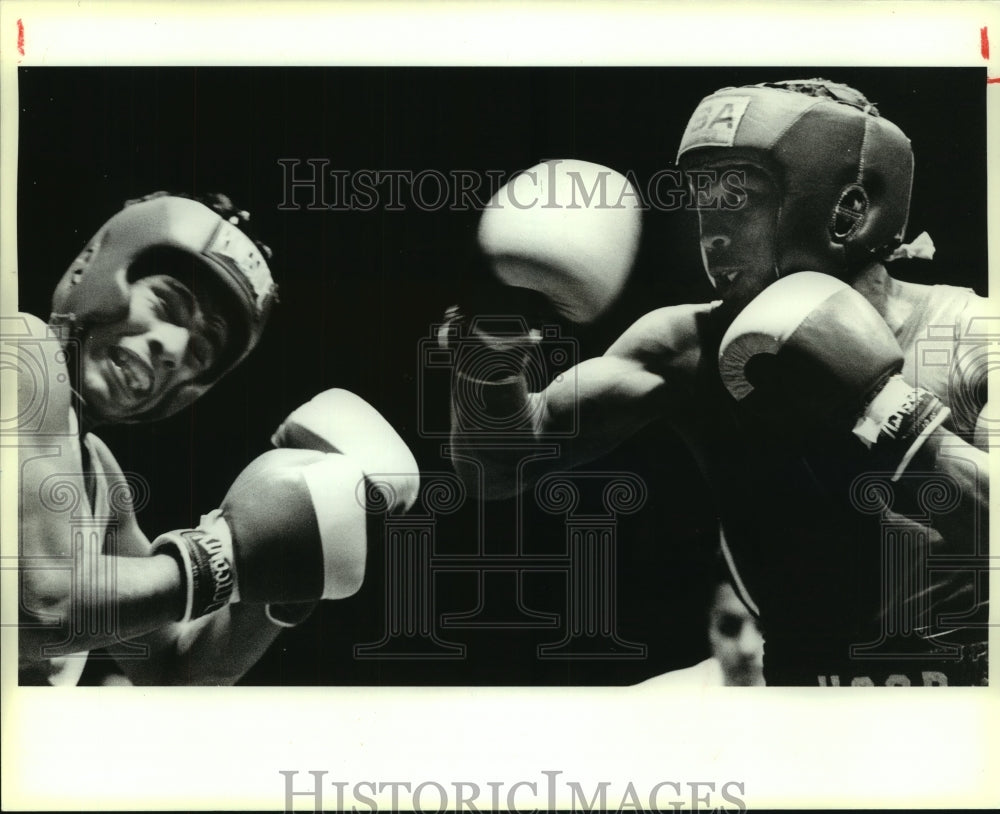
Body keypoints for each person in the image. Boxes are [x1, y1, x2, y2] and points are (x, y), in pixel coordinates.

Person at [445, 80, 991, 686]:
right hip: (801, 706)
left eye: (741, 196)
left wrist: (881, 406)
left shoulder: (970, 333)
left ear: (847, 210)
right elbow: (501, 467)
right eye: (704, 198)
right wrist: (488, 369)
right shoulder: (688, 346)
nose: (713, 231)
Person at [15, 191, 419, 685]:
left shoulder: (98, 477)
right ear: (95, 270)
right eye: (166, 303)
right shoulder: (20, 350)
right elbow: (39, 610)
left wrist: (291, 571)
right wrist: (223, 554)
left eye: (201, 350)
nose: (174, 348)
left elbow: (176, 670)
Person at [642, 570, 765, 688]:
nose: (747, 647)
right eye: (729, 626)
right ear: (710, 627)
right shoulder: (666, 696)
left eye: (764, 628)